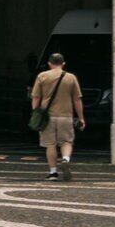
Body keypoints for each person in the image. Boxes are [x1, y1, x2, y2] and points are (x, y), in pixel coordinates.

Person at [29, 51, 84, 180]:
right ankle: (65, 159)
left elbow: (36, 97)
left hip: (47, 117)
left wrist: (35, 113)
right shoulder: (71, 77)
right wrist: (81, 117)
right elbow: (77, 99)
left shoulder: (42, 76)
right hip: (66, 116)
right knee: (66, 142)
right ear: (63, 64)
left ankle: (53, 172)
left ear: (49, 63)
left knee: (50, 144)